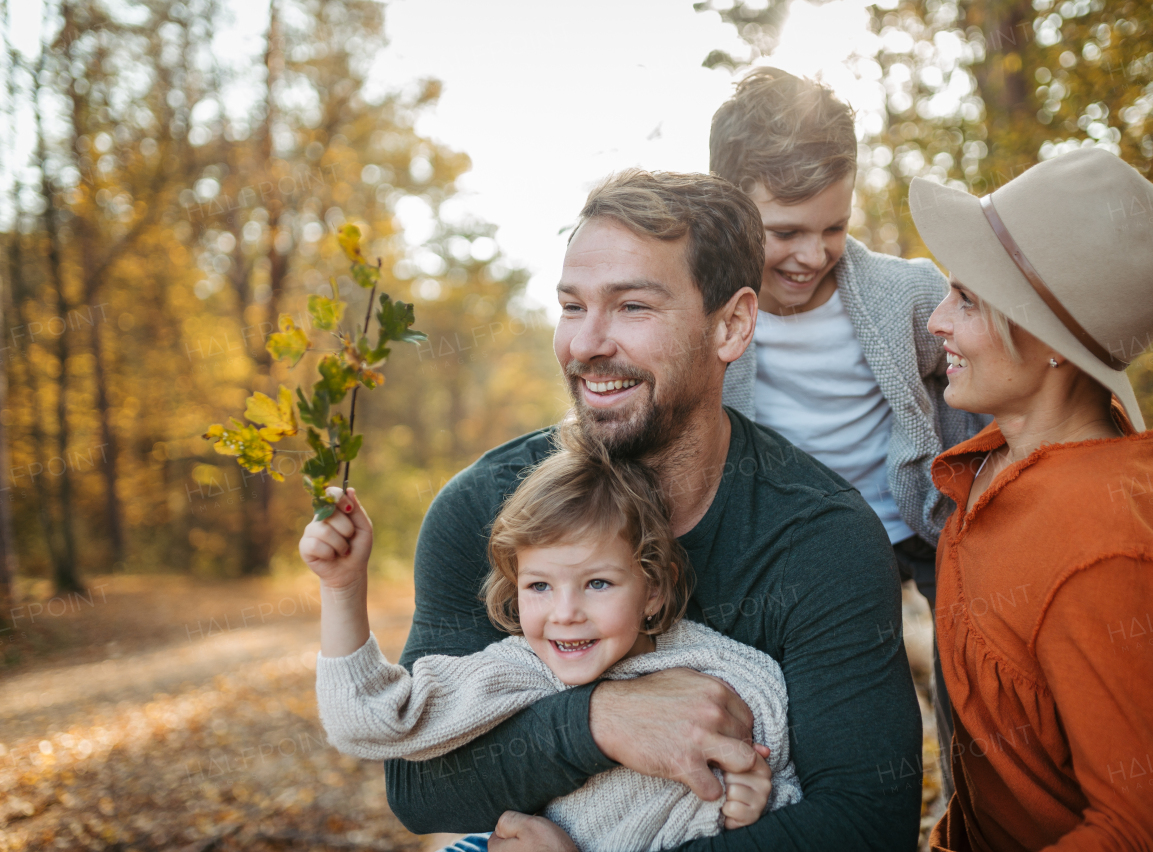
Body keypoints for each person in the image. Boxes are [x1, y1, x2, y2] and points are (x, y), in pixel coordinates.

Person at [378, 169, 922, 851]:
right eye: (573, 306)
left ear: (731, 325)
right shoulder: (484, 510)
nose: (585, 344)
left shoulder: (821, 539)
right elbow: (416, 785)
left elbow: (867, 825)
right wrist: (600, 722)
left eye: (631, 307)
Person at [907, 147, 1153, 850]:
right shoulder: (996, 466)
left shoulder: (1109, 545)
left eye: (966, 300)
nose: (935, 323)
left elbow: (1138, 832)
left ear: (1049, 340)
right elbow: (1004, 777)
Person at [299, 425, 800, 852]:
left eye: (597, 584)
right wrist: (343, 587)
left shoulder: (729, 673)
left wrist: (744, 811)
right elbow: (368, 719)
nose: (565, 615)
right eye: (540, 586)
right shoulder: (517, 669)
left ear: (654, 587)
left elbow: (796, 796)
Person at [711, 66, 985, 793]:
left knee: (973, 665)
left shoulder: (907, 293)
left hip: (920, 517)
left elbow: (979, 375)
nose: (813, 254)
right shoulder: (711, 314)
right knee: (839, 693)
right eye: (786, 232)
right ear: (729, 208)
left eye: (834, 227)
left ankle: (975, 808)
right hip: (807, 542)